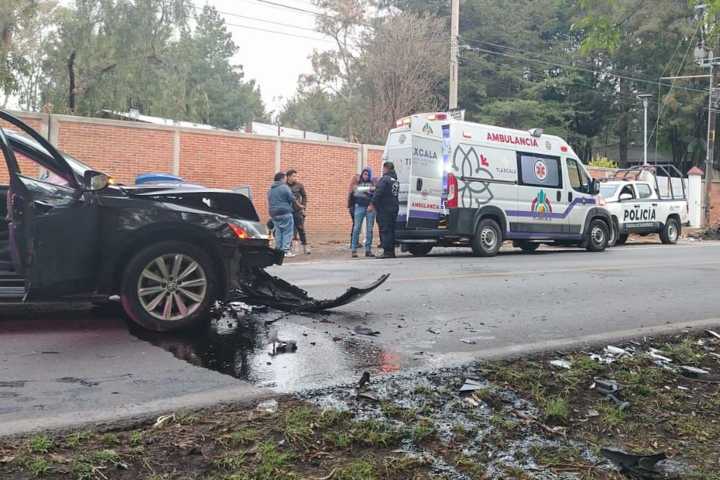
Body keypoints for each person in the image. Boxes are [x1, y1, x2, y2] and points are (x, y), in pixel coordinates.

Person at [372, 161, 400, 259]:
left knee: (385, 230)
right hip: (394, 208)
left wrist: (372, 204)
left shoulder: (385, 179)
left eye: (383, 169)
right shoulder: (395, 180)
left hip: (385, 209)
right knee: (391, 230)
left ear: (386, 168)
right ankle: (391, 252)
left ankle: (387, 252)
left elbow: (378, 192)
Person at [267, 172, 296, 257]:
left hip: (274, 214)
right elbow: (291, 198)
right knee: (287, 232)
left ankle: (278, 250)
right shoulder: (284, 187)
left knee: (278, 232)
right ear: (282, 179)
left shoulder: (270, 190)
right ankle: (285, 251)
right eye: (284, 178)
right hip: (285, 212)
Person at [350, 167, 377, 258]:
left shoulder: (372, 183)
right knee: (356, 228)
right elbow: (356, 191)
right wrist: (369, 189)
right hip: (359, 207)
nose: (366, 176)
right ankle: (354, 249)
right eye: (364, 174)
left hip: (370, 208)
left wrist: (371, 203)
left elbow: (375, 194)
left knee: (369, 229)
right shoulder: (358, 183)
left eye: (367, 174)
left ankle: (368, 250)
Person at [286, 169, 310, 255]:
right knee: (289, 230)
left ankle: (305, 246)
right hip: (287, 211)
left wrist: (303, 207)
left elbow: (304, 196)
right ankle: (289, 248)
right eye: (293, 176)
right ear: (288, 177)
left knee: (301, 228)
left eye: (296, 176)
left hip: (297, 210)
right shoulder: (284, 186)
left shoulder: (299, 185)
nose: (295, 178)